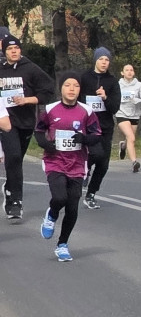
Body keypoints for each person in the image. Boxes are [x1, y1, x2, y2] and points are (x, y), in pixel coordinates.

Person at [34, 71, 102, 262]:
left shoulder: (86, 111)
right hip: (54, 161)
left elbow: (96, 136)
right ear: (61, 88)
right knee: (59, 197)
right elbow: (39, 131)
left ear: (79, 89)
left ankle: (62, 244)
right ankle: (52, 214)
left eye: (76, 86)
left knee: (72, 207)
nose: (71, 89)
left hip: (78, 164)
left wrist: (84, 138)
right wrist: (46, 144)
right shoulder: (50, 109)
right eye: (67, 85)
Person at [0, 33, 55, 222]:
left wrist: (27, 100)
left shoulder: (30, 69)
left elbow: (47, 91)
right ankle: (15, 202)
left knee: (16, 160)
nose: (14, 51)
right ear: (4, 51)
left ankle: (10, 186)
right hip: (5, 121)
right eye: (9, 48)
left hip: (25, 122)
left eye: (16, 48)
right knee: (13, 156)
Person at [80, 46, 121, 209]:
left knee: (103, 164)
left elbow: (115, 108)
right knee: (92, 156)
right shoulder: (84, 78)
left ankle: (91, 194)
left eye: (107, 60)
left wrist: (105, 97)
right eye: (101, 59)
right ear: (95, 60)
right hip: (87, 126)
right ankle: (84, 171)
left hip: (105, 126)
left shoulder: (112, 82)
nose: (104, 63)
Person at [115, 63, 141, 173]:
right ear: (122, 73)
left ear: (134, 72)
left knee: (130, 138)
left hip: (134, 114)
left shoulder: (139, 85)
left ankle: (123, 145)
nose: (129, 72)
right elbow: (113, 98)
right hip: (121, 113)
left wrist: (137, 100)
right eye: (127, 70)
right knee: (132, 137)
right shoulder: (118, 85)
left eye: (131, 70)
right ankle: (135, 162)